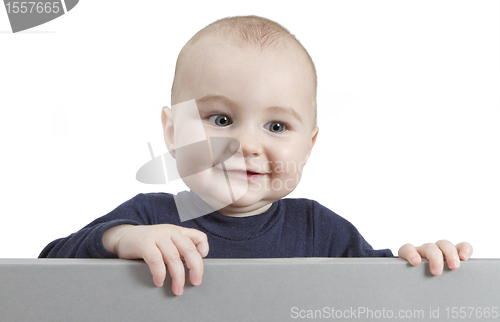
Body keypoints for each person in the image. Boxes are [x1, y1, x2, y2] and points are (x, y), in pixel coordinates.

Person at [40, 15, 472, 296]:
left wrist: (421, 263)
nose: (247, 144)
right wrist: (120, 240)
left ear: (308, 147)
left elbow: (377, 290)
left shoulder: (319, 231)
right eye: (221, 119)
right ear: (172, 133)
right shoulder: (149, 219)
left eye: (277, 126)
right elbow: (47, 269)